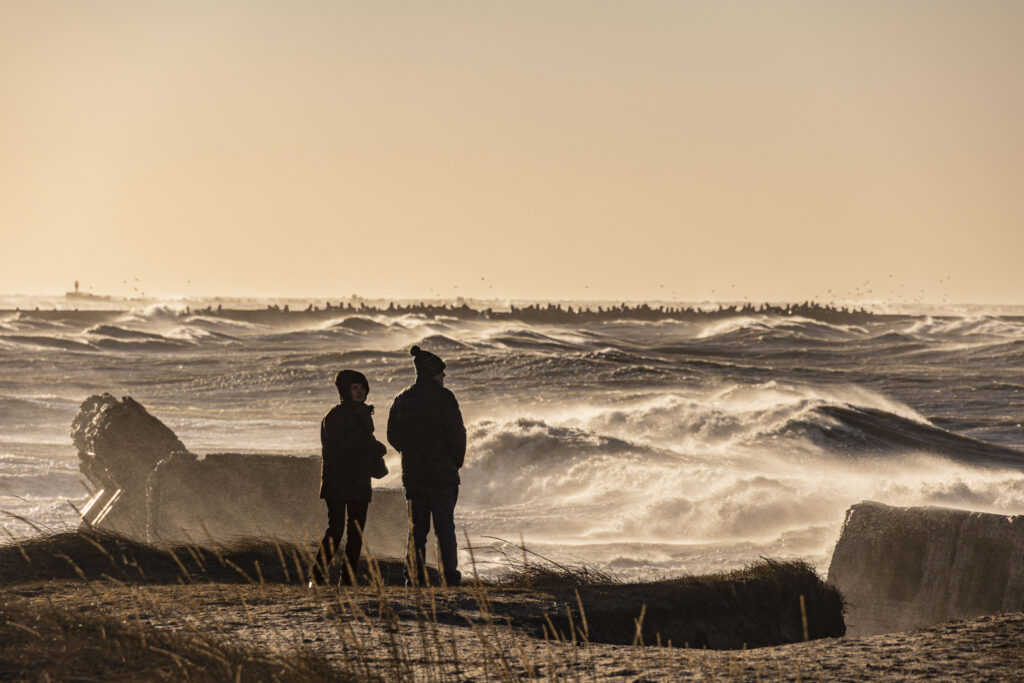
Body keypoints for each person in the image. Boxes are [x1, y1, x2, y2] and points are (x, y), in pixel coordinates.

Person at [387, 345, 466, 586]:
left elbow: (392, 435)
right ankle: (449, 579)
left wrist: (408, 453)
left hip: (413, 476)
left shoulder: (401, 399)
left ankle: (414, 579)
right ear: (432, 373)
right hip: (442, 476)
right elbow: (457, 434)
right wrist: (455, 462)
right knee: (445, 531)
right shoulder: (445, 397)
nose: (444, 377)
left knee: (417, 531)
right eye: (441, 373)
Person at [310, 369, 387, 586]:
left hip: (359, 480)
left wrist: (372, 448)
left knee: (356, 532)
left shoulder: (363, 414)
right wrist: (372, 447)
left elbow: (358, 444)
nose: (360, 391)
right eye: (355, 387)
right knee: (336, 531)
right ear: (345, 390)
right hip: (337, 480)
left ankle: (348, 579)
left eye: (362, 387)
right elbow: (341, 447)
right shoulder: (334, 416)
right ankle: (316, 577)